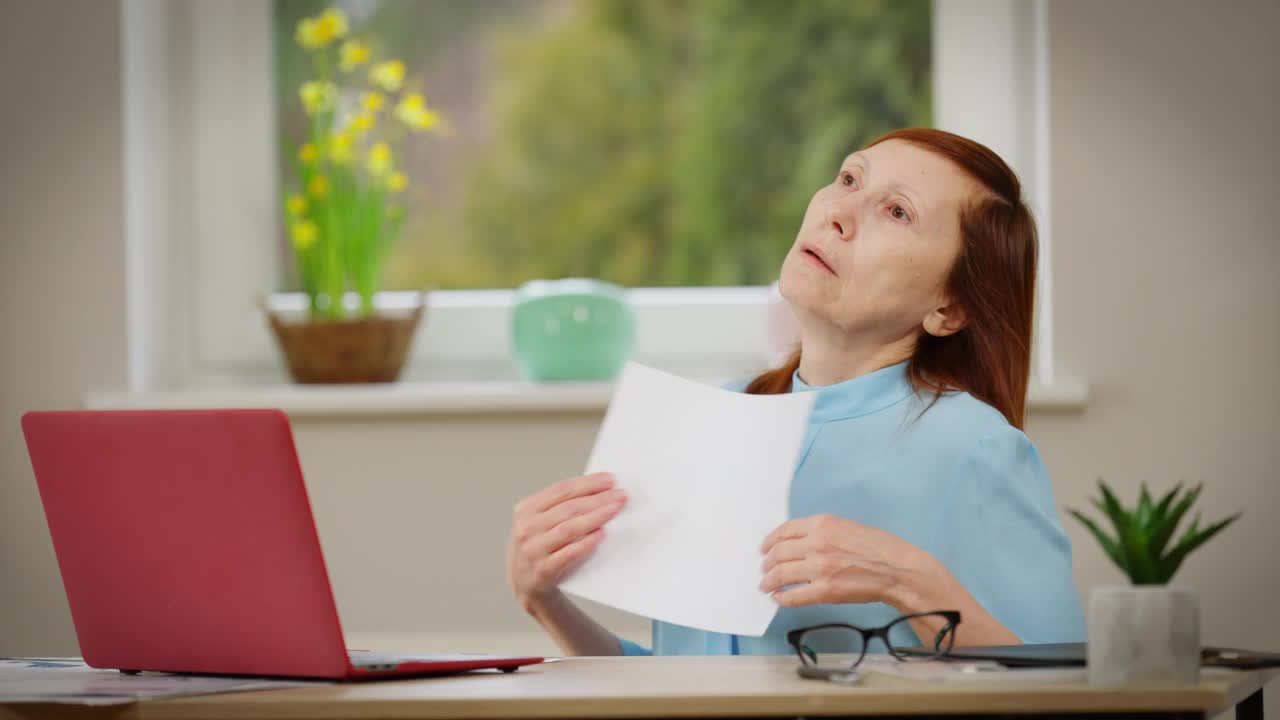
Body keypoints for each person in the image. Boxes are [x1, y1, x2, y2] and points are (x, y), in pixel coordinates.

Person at [505, 128, 1086, 656]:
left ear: (949, 307)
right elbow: (676, 684)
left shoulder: (975, 449)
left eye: (897, 212)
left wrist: (908, 581)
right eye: (850, 178)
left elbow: (1064, 697)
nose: (839, 211)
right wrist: (546, 601)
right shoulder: (712, 416)